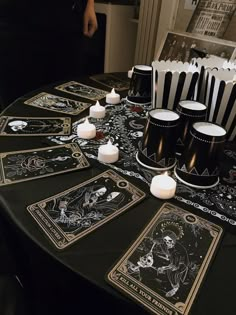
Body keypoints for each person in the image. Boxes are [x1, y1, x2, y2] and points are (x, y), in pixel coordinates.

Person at [0, 0, 98, 109]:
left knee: (68, 104)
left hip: (67, 20)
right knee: (18, 109)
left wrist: (90, 4)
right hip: (17, 22)